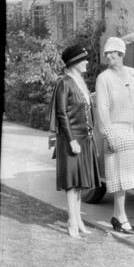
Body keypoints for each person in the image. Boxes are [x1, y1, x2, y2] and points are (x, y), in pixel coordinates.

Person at [95, 37, 134, 235]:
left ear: (121, 54)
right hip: (116, 132)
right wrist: (110, 135)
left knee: (126, 179)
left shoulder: (132, 76)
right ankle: (121, 217)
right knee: (119, 178)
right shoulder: (104, 79)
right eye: (106, 53)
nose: (108, 56)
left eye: (111, 52)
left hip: (133, 132)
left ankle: (118, 216)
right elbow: (102, 110)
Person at [49, 45, 102, 239]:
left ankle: (78, 220)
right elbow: (61, 113)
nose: (87, 62)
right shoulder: (65, 83)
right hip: (72, 139)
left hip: (84, 138)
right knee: (72, 184)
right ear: (74, 63)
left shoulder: (79, 82)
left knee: (79, 184)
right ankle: (72, 222)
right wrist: (71, 140)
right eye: (84, 60)